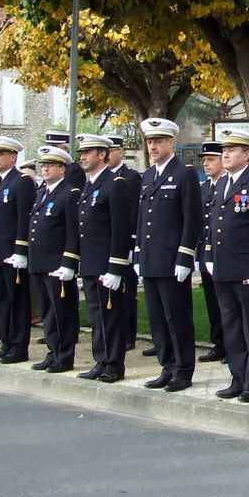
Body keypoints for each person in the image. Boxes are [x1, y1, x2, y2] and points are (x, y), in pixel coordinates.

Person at [204, 128, 249, 402]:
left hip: (248, 269)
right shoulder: (221, 183)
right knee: (231, 327)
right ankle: (237, 378)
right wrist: (209, 254)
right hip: (223, 268)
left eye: (232, 150)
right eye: (224, 150)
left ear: (247, 154)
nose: (225, 154)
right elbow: (214, 224)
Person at [135, 118, 201, 391]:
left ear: (171, 143)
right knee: (157, 318)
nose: (153, 147)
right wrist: (138, 255)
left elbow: (192, 218)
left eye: (158, 141)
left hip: (172, 259)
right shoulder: (149, 175)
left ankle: (183, 370)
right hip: (151, 258)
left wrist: (185, 256)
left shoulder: (184, 174)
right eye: (150, 142)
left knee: (177, 316)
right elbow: (143, 218)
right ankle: (167, 365)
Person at [71, 134, 138, 383]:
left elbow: (120, 228)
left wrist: (116, 266)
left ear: (102, 155)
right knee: (97, 315)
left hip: (106, 264)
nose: (83, 157)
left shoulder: (114, 183)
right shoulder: (90, 184)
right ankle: (101, 360)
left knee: (110, 316)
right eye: (81, 153)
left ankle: (114, 364)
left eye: (88, 152)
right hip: (90, 261)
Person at [0, 136, 36, 364]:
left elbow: (24, 218)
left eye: (1, 154)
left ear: (13, 157)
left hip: (12, 253)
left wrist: (21, 250)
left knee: (17, 301)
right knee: (1, 301)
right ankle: (6, 342)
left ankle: (19, 346)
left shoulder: (21, 181)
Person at [29, 146, 82, 373]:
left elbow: (73, 231)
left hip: (57, 263)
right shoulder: (42, 192)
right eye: (44, 165)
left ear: (63, 168)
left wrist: (69, 262)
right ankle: (53, 351)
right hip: (40, 261)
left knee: (63, 311)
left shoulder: (69, 194)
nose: (46, 169)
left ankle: (65, 355)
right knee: (48, 311)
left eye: (51, 165)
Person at [106, 132, 142, 352]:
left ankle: (128, 334)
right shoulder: (101, 178)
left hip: (125, 242)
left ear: (120, 152)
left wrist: (131, 243)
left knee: (127, 291)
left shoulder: (130, 177)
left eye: (111, 151)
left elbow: (133, 212)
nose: (107, 155)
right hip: (107, 244)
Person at [195, 140, 227, 363]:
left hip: (224, 254)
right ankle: (219, 343)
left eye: (210, 160)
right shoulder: (204, 188)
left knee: (227, 303)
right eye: (204, 160)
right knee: (211, 301)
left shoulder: (229, 185)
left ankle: (231, 344)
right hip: (205, 254)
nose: (206, 164)